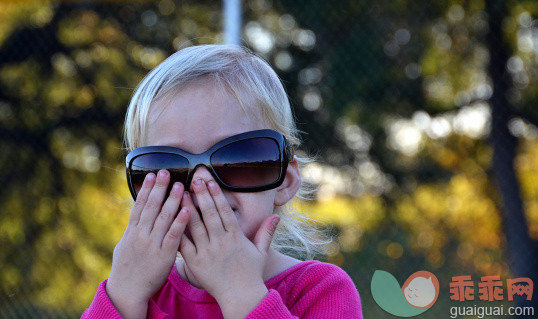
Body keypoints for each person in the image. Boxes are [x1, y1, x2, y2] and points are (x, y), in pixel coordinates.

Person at [82, 44, 362, 319]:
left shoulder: (320, 289)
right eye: (170, 167)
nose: (202, 182)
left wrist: (241, 295)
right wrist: (123, 294)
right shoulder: (138, 292)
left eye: (238, 160)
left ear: (284, 180)